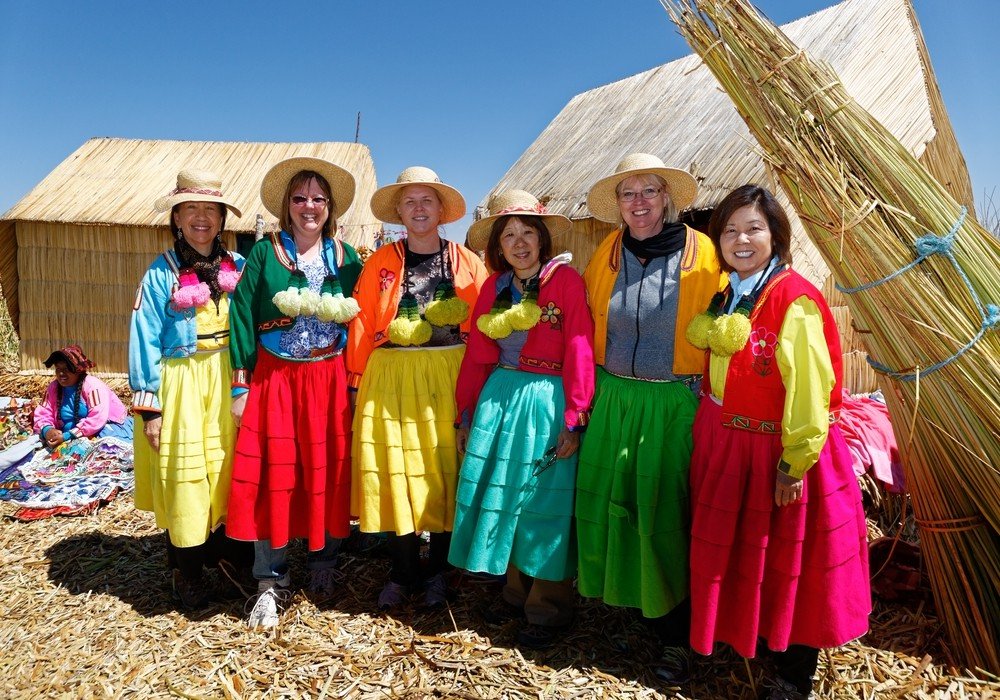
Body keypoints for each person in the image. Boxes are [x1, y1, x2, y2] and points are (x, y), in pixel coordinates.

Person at [686, 185, 870, 699]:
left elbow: (813, 388)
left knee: (792, 562)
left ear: (776, 235)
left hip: (780, 452)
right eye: (730, 230)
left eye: (754, 229)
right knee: (748, 554)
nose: (741, 239)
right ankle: (751, 643)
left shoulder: (796, 299)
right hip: (731, 446)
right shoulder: (730, 293)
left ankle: (792, 674)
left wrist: (795, 463)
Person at [576, 153, 721, 682]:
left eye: (649, 192)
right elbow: (588, 321)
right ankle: (638, 610)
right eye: (628, 194)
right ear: (618, 205)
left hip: (672, 401)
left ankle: (680, 635)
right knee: (619, 507)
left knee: (665, 511)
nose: (638, 203)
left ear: (667, 198)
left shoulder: (702, 253)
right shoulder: (608, 252)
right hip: (614, 397)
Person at [449, 190, 594, 649]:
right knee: (508, 494)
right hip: (501, 394)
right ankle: (514, 592)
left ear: (543, 238)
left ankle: (547, 606)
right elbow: (477, 353)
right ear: (498, 245)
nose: (519, 242)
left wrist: (575, 415)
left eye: (528, 232)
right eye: (509, 234)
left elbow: (579, 347)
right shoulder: (495, 287)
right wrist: (466, 412)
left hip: (547, 401)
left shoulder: (566, 281)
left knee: (544, 500)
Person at [226, 157, 363, 628]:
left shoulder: (348, 258)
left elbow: (364, 319)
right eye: (300, 198)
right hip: (277, 377)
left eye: (318, 199)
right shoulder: (265, 255)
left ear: (330, 208)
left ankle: (324, 563)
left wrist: (358, 380)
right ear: (287, 207)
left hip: (327, 378)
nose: (309, 206)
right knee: (274, 473)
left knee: (327, 468)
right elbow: (241, 314)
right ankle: (271, 579)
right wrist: (240, 385)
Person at [348, 166, 488, 610]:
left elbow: (484, 324)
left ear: (442, 210)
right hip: (392, 375)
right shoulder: (380, 262)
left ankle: (441, 573)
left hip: (448, 373)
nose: (419, 209)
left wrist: (479, 384)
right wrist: (355, 381)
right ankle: (403, 570)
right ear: (399, 212)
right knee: (397, 469)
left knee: (444, 469)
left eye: (427, 200)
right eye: (410, 201)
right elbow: (362, 319)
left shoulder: (467, 262)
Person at [130, 169, 251, 609]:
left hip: (228, 381)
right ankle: (188, 571)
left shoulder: (238, 268)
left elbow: (252, 327)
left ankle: (231, 559)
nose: (201, 218)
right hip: (181, 381)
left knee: (229, 470)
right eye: (191, 209)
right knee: (186, 478)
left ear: (222, 218)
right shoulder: (160, 275)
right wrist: (151, 409)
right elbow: (143, 337)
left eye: (210, 210)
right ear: (177, 217)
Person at [35, 344, 132, 447]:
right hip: (69, 435)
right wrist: (47, 430)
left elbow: (97, 418)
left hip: (104, 429)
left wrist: (67, 436)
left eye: (67, 369)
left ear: (78, 370)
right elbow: (43, 412)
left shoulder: (93, 386)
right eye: (58, 369)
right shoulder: (54, 388)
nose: (61, 373)